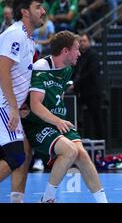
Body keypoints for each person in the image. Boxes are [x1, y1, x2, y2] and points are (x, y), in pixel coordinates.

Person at [22, 31, 107, 203]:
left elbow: (57, 93)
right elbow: (35, 105)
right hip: (39, 123)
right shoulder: (41, 67)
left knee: (82, 154)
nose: (80, 53)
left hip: (57, 121)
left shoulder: (68, 70)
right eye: (76, 49)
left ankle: (103, 201)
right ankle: (48, 199)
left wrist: (58, 117)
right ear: (65, 51)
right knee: (70, 151)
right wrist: (57, 120)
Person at [0, 0, 46, 203]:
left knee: (24, 154)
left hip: (11, 106)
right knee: (15, 156)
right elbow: (3, 70)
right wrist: (12, 107)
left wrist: (23, 103)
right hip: (3, 105)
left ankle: (16, 200)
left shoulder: (29, 39)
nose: (43, 11)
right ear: (25, 12)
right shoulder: (15, 34)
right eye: (38, 7)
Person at [71, 33, 105, 140]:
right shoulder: (79, 55)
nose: (82, 43)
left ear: (89, 42)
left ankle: (101, 142)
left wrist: (75, 83)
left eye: (84, 41)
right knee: (78, 116)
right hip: (81, 91)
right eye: (80, 41)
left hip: (92, 91)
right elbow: (76, 71)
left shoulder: (93, 55)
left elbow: (91, 73)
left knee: (96, 118)